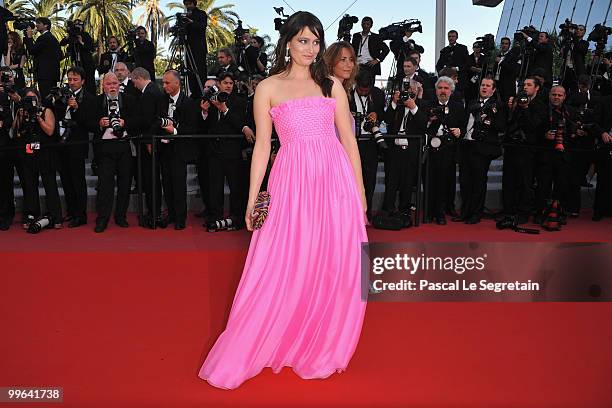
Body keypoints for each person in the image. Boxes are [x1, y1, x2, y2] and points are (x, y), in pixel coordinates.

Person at [199, 11, 367, 389]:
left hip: (333, 179)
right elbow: (261, 147)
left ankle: (319, 338)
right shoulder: (268, 87)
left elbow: (349, 141)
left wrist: (360, 193)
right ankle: (273, 336)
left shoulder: (332, 86)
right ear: (288, 43)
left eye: (315, 41)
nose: (310, 48)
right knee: (282, 259)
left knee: (333, 260)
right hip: (290, 181)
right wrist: (253, 198)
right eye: (303, 40)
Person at [92, 73, 137, 233]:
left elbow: (139, 120)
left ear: (119, 85)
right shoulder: (96, 101)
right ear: (103, 86)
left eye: (114, 83)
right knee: (105, 186)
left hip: (124, 146)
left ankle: (121, 216)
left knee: (125, 184)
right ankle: (102, 219)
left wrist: (126, 123)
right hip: (105, 149)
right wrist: (99, 123)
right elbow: (86, 121)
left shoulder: (130, 100)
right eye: (108, 84)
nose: (112, 86)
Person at [12, 88, 62, 229]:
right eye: (27, 99)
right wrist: (21, 113)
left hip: (45, 152)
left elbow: (50, 131)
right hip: (28, 154)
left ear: (38, 99)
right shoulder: (22, 111)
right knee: (29, 185)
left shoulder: (46, 111)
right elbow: (15, 132)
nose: (31, 102)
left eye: (33, 98)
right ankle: (31, 214)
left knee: (50, 184)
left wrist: (38, 117)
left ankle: (55, 215)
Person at [53, 66, 96, 228]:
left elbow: (90, 123)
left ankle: (81, 215)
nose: (71, 82)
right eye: (69, 79)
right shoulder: (62, 96)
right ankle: (71, 211)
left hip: (77, 145)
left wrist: (77, 108)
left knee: (78, 181)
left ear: (83, 81)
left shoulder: (90, 98)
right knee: (66, 180)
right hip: (62, 144)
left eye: (75, 79)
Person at [23, 17, 61, 99]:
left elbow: (32, 50)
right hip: (51, 75)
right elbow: (60, 55)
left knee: (46, 98)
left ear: (46, 26)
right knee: (50, 98)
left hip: (44, 75)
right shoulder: (52, 38)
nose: (36, 25)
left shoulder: (44, 38)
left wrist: (29, 38)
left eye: (39, 23)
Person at [59, 19, 96, 94]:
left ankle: (90, 96)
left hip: (87, 63)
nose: (77, 28)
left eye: (79, 26)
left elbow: (92, 48)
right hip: (76, 62)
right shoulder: (72, 36)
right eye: (76, 26)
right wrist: (69, 35)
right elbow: (62, 43)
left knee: (89, 81)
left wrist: (81, 42)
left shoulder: (86, 35)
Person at [351, 16, 389, 84]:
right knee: (355, 85)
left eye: (367, 24)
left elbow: (386, 49)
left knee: (369, 86)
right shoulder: (356, 36)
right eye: (364, 24)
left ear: (371, 25)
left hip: (369, 65)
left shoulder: (375, 37)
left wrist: (377, 60)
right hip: (357, 65)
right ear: (361, 24)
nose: (365, 26)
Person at [183, 0, 207, 97]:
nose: (188, 6)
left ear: (194, 3)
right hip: (189, 48)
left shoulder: (201, 14)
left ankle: (201, 92)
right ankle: (193, 93)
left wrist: (191, 22)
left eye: (189, 4)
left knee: (199, 69)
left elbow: (202, 26)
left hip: (199, 48)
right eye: (186, 4)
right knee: (190, 70)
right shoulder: (185, 16)